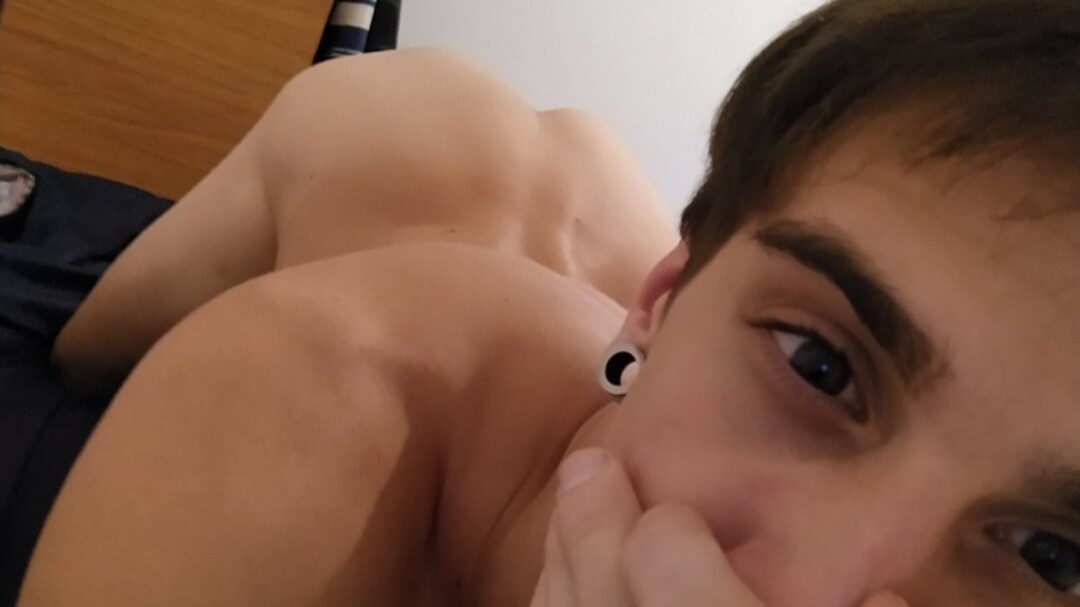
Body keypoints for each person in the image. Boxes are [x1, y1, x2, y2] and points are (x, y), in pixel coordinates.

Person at [20, 0, 1080, 604]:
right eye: (819, 365)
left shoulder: (722, 299)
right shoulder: (305, 385)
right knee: (82, 347)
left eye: (1054, 554)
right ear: (665, 295)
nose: (821, 593)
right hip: (383, 132)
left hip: (596, 218)